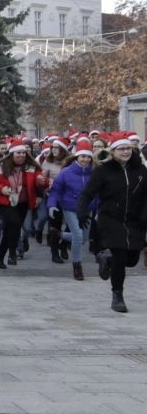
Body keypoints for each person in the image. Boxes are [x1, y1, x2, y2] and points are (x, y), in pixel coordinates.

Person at [77, 132, 146, 313]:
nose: (126, 152)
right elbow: (87, 193)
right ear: (113, 151)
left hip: (134, 220)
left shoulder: (140, 170)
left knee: (131, 260)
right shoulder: (103, 171)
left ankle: (106, 258)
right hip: (110, 219)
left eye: (128, 148)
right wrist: (82, 211)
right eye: (121, 149)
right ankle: (117, 295)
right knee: (121, 255)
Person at [0, 139, 46, 269]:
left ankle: (0, 256)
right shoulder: (0, 165)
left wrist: (41, 181)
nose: (22, 156)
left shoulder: (31, 166)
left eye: (24, 153)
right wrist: (2, 189)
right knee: (15, 223)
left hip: (22, 203)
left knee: (9, 230)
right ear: (11, 154)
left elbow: (41, 182)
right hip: (4, 202)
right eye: (18, 153)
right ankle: (13, 253)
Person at [48, 137, 96, 280]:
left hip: (88, 209)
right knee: (78, 236)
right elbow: (56, 190)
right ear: (77, 156)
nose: (85, 159)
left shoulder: (94, 173)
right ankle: (77, 266)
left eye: (88, 156)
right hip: (70, 207)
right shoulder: (66, 172)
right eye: (82, 156)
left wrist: (99, 209)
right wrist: (51, 205)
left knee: (84, 238)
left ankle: (58, 234)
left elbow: (98, 193)